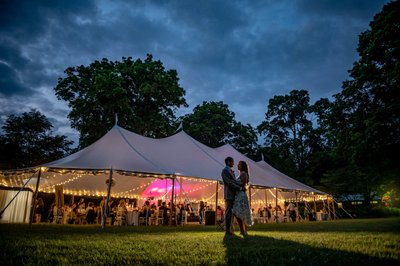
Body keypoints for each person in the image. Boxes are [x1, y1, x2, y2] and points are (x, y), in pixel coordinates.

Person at [221, 156, 245, 236]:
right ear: (228, 162)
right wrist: (240, 187)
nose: (234, 163)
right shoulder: (224, 171)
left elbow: (233, 181)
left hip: (234, 195)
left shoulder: (231, 171)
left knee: (233, 214)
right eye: (232, 162)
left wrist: (241, 185)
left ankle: (232, 230)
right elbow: (229, 183)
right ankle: (228, 231)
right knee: (228, 213)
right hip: (229, 195)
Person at [232, 161, 254, 236]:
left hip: (241, 195)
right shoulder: (241, 174)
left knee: (238, 212)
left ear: (243, 166)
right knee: (239, 212)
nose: (237, 165)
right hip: (238, 194)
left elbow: (243, 184)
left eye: (239, 164)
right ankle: (243, 231)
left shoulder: (244, 173)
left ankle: (243, 230)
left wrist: (233, 181)